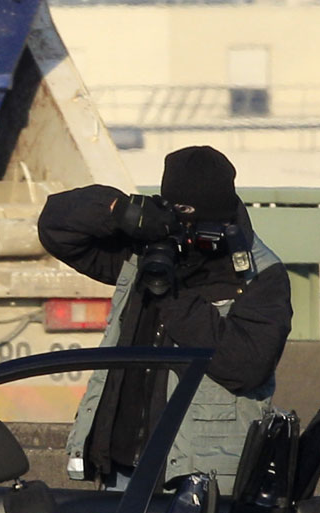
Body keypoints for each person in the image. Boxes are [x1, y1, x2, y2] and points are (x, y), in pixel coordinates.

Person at [37, 146, 292, 490]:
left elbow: (245, 365)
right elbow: (57, 227)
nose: (186, 236)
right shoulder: (143, 250)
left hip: (199, 476)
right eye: (179, 221)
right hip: (121, 470)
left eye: (196, 226)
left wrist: (171, 294)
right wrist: (119, 211)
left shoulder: (258, 273)